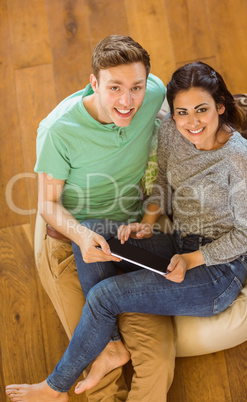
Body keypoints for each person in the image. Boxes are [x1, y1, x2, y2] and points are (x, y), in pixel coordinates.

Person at [6, 61, 247, 401]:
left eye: (202, 110)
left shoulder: (242, 161)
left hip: (217, 272)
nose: (192, 122)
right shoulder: (174, 132)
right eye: (182, 112)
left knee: (104, 296)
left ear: (220, 106)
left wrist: (191, 259)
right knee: (91, 231)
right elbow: (161, 182)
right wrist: (146, 225)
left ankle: (56, 387)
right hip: (179, 242)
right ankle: (113, 345)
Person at [6, 35, 177, 402]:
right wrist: (83, 237)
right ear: (94, 83)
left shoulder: (153, 93)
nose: (127, 101)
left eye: (135, 87)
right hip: (71, 244)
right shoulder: (58, 130)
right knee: (98, 374)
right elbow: (47, 204)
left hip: (131, 243)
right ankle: (107, 350)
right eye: (114, 88)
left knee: (158, 362)